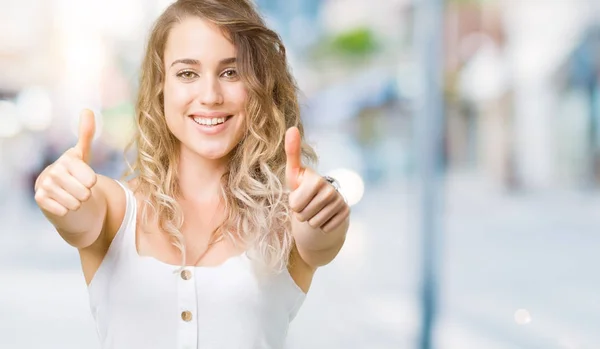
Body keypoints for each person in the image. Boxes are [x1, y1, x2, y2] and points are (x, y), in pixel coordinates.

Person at [33, 0, 350, 348]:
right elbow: (78, 216)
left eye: (232, 72)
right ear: (160, 88)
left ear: (260, 87)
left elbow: (319, 240)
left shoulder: (289, 215)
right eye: (187, 73)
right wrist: (57, 190)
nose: (210, 95)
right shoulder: (115, 208)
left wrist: (323, 215)